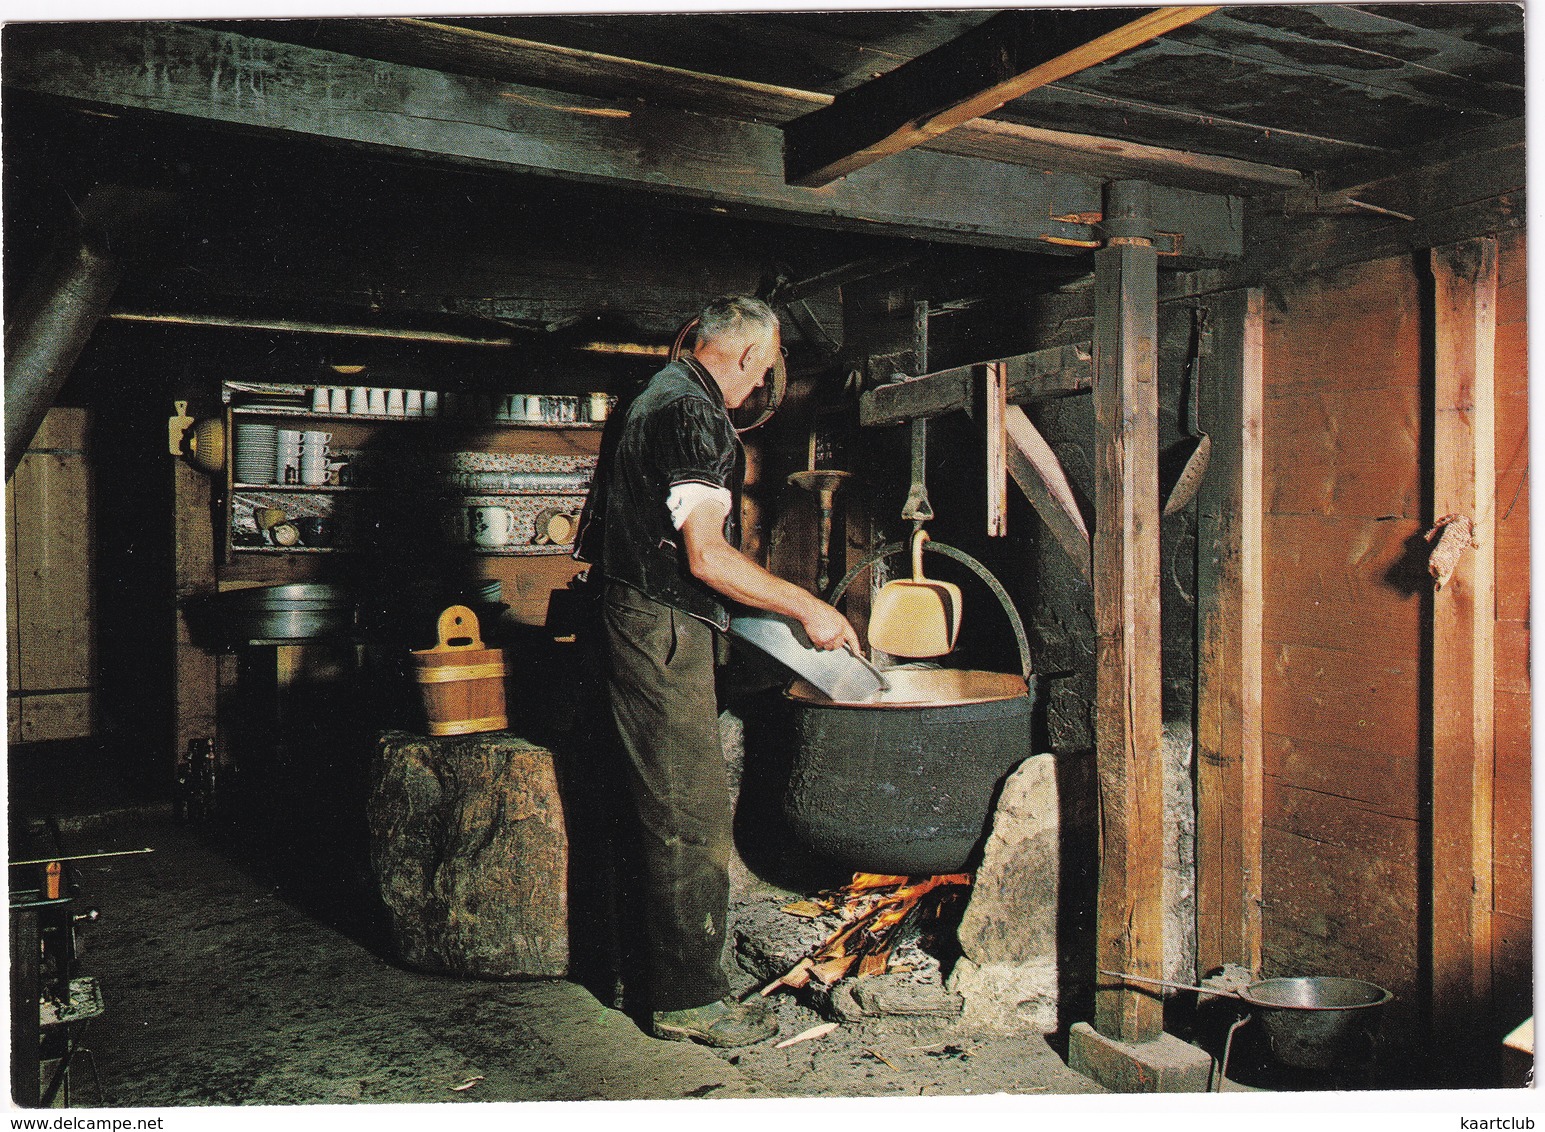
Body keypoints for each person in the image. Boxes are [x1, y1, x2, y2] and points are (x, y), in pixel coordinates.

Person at [574, 295, 859, 1047]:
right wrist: (808, 608)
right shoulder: (694, 414)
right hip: (660, 627)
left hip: (639, 614)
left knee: (652, 803)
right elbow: (705, 555)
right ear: (741, 357)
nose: (755, 387)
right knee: (688, 812)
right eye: (760, 372)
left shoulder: (652, 396)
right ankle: (688, 1002)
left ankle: (640, 977)